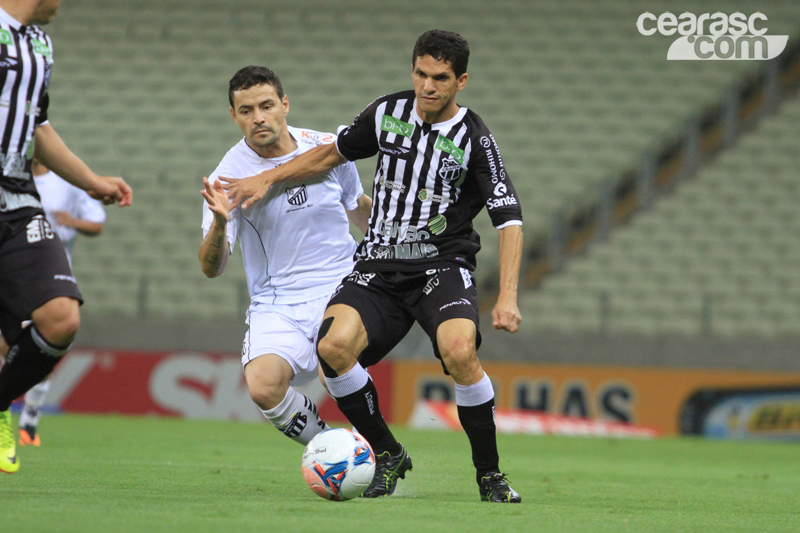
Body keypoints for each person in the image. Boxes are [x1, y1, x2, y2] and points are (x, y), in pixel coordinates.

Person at [222, 30, 524, 502]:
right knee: (333, 348)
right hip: (380, 267)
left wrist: (507, 296)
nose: (428, 86)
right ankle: (387, 452)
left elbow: (510, 220)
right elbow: (329, 153)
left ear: (460, 81)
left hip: (441, 266)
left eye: (440, 78)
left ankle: (489, 475)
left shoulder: (476, 139)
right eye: (421, 74)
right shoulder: (387, 112)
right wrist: (268, 177)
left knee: (461, 352)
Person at [199, 66, 371, 447]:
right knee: (263, 386)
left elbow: (357, 207)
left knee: (336, 363)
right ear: (233, 116)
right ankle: (332, 450)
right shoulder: (226, 179)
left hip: (342, 285)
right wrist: (219, 224)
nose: (258, 118)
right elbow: (213, 267)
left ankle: (383, 451)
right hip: (277, 300)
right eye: (246, 110)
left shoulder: (328, 147)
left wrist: (393, 248)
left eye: (266, 105)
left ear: (285, 104)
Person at [0, 0, 133, 474]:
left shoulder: (39, 43)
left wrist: (90, 181)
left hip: (16, 196)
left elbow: (36, 127)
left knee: (61, 319)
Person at [14, 159, 106, 446]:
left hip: (52, 279)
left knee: (45, 350)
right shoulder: (11, 180)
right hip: (12, 275)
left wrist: (72, 221)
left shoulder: (66, 181)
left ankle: (29, 418)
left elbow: (97, 223)